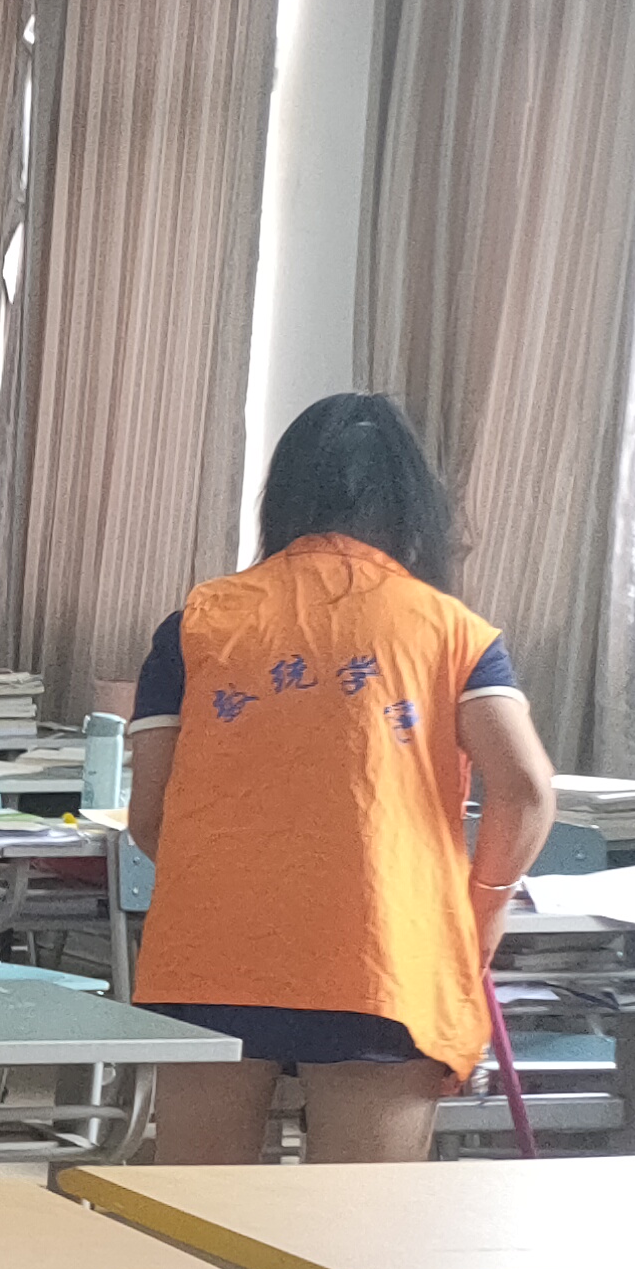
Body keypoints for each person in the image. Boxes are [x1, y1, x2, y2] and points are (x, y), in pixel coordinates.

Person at [131, 391, 554, 1180]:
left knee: (193, 1214)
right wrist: (484, 905)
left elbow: (150, 815)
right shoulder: (450, 631)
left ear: (284, 496)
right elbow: (525, 789)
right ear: (415, 505)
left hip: (212, 950)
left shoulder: (196, 624)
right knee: (365, 1228)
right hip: (384, 951)